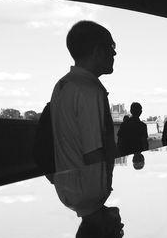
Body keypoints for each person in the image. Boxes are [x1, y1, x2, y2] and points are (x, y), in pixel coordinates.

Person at [50, 21, 117, 172]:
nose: (114, 53)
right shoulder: (90, 90)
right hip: (90, 189)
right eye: (111, 47)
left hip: (67, 186)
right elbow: (94, 153)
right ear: (98, 51)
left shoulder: (62, 85)